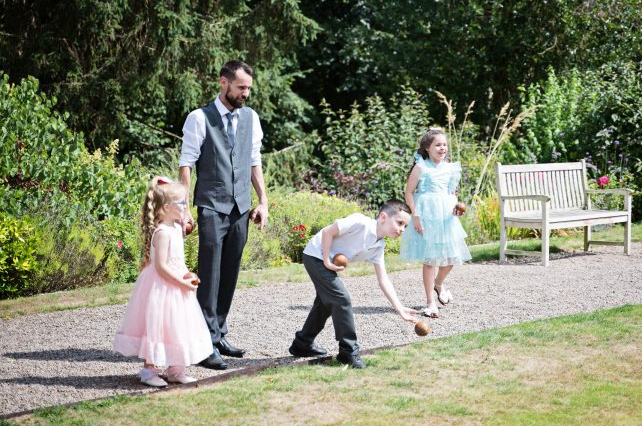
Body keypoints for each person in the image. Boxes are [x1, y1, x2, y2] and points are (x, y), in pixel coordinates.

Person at [178, 60, 268, 370]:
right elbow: (186, 164)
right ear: (224, 83)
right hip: (212, 206)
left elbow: (254, 161)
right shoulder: (198, 118)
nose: (246, 93)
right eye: (241, 87)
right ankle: (204, 345)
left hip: (241, 208)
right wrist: (183, 206)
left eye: (248, 88)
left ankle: (218, 333)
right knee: (210, 274)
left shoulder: (251, 118)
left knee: (229, 274)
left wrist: (263, 201)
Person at [288, 199, 420, 369]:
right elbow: (328, 232)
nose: (402, 229)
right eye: (400, 223)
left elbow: (383, 279)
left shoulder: (378, 246)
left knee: (326, 303)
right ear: (383, 217)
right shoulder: (360, 222)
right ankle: (348, 352)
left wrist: (400, 309)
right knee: (341, 299)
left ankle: (302, 344)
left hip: (328, 263)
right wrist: (327, 261)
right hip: (315, 254)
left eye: (405, 226)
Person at [114, 177, 212, 387]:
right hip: (163, 286)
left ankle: (176, 369)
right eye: (182, 203)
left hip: (176, 284)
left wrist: (188, 275)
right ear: (167, 208)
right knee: (157, 326)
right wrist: (182, 282)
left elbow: (177, 262)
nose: (185, 207)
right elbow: (161, 267)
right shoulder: (162, 233)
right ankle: (149, 370)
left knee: (177, 326)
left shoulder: (177, 229)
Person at [400, 128, 471, 318]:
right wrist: (415, 215)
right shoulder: (421, 167)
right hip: (426, 216)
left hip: (446, 217)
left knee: (452, 258)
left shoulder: (450, 168)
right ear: (427, 148)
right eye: (438, 145)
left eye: (445, 144)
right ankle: (430, 302)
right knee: (430, 260)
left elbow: (452, 193)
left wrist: (457, 207)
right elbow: (409, 192)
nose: (442, 148)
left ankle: (438, 284)